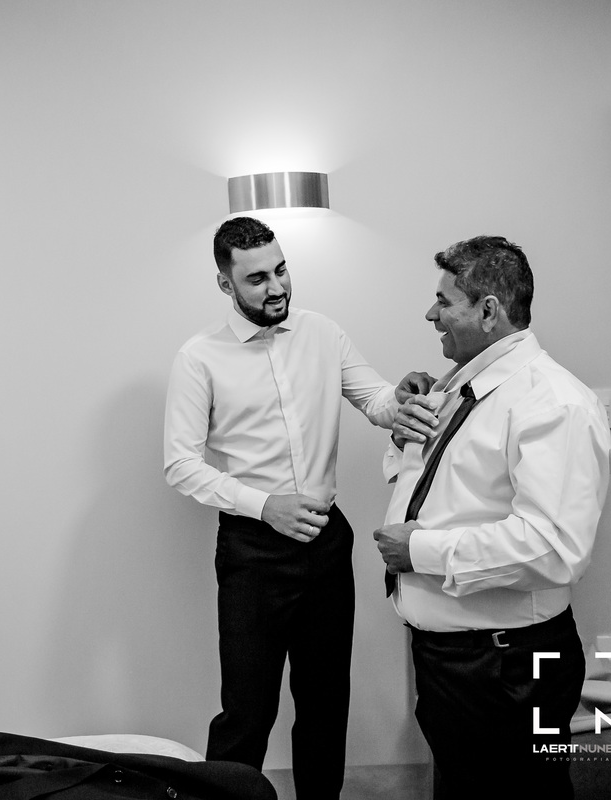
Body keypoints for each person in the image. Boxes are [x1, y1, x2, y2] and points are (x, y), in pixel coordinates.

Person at [163, 216, 428, 799]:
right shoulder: (198, 358)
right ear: (225, 284)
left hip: (328, 542)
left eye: (281, 270)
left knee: (326, 702)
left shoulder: (323, 332)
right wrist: (265, 506)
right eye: (256, 278)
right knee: (247, 710)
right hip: (252, 550)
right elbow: (180, 464)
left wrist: (401, 397)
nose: (277, 286)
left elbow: (376, 401)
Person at [373, 235, 611, 799]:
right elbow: (447, 482)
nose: (430, 314)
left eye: (443, 301)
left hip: (509, 669)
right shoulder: (465, 384)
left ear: (488, 310)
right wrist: (405, 435)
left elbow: (552, 547)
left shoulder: (553, 403)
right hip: (459, 662)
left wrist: (419, 552)